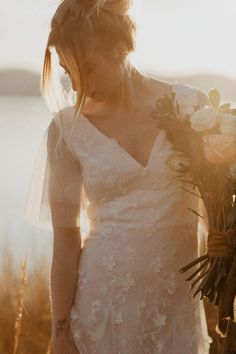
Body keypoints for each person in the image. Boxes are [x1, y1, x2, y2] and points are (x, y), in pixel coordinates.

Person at [24, 0, 212, 353]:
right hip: (101, 311)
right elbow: (66, 241)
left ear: (122, 49)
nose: (77, 86)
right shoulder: (66, 130)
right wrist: (60, 332)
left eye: (86, 69)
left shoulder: (192, 109)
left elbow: (215, 214)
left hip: (176, 310)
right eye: (68, 72)